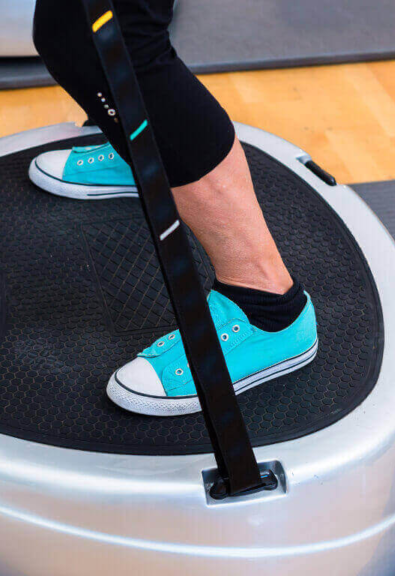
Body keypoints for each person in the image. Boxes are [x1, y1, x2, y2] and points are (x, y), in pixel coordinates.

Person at [30, 0, 318, 417]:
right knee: (80, 26)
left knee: (105, 39)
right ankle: (145, 154)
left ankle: (267, 306)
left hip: (267, 315)